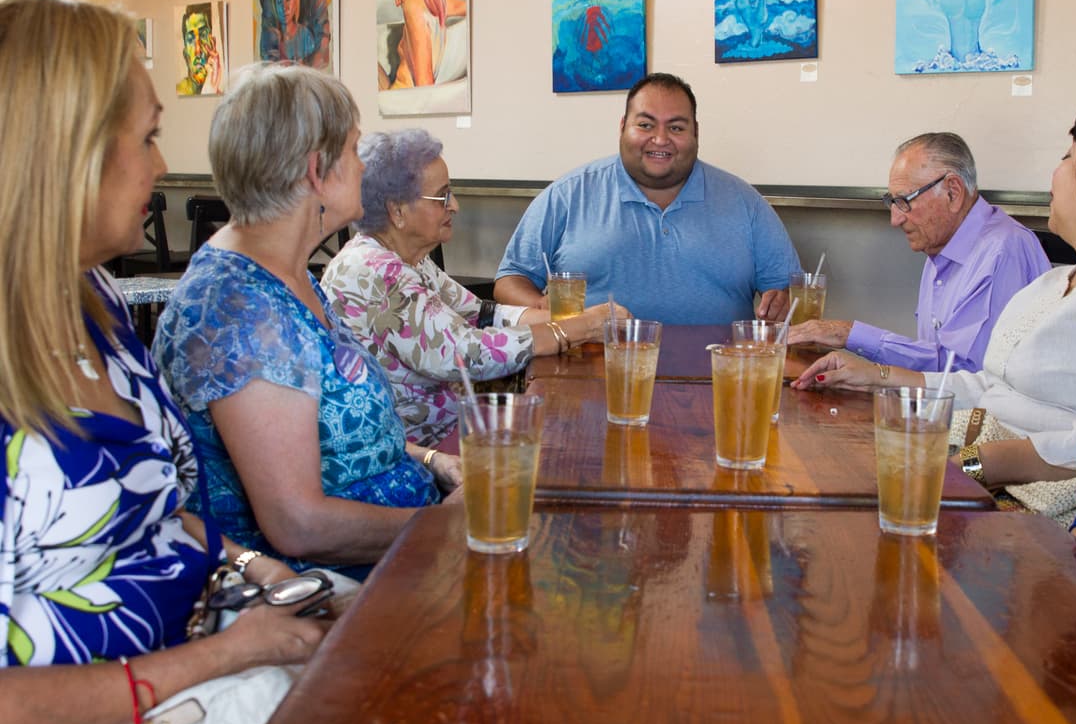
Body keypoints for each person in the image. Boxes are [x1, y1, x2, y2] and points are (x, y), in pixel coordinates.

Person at [0, 0, 328, 724]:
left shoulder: (95, 297)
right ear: (67, 150)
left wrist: (259, 571)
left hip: (207, 632)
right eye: (147, 136)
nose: (164, 163)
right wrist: (230, 654)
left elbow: (152, 501)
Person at [793, 96, 1076, 492]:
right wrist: (877, 378)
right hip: (981, 453)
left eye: (1068, 156)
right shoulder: (1057, 283)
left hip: (1030, 494)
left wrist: (969, 465)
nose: (1054, 172)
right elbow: (987, 385)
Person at [153, 63, 457, 580]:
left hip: (399, 541)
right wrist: (446, 526)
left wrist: (432, 461)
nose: (363, 167)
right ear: (319, 171)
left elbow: (328, 435)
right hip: (324, 586)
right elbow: (299, 525)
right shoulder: (238, 308)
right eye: (355, 151)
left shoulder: (289, 273)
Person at [322, 129, 620, 445]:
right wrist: (576, 330)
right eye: (443, 196)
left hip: (456, 425)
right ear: (397, 211)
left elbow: (481, 313)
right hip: (419, 449)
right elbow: (469, 353)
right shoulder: (375, 271)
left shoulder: (408, 259)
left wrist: (573, 320)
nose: (455, 206)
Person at [494, 72, 801, 324]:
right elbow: (510, 279)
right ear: (622, 128)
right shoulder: (568, 194)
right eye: (645, 125)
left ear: (696, 133)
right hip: (589, 373)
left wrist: (784, 302)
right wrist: (544, 311)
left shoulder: (745, 202)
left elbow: (791, 293)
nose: (660, 139)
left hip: (720, 377)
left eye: (676, 127)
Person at [788, 132, 1049, 371]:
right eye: (891, 202)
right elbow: (937, 364)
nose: (895, 219)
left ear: (952, 192)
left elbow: (966, 375)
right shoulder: (940, 246)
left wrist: (849, 335)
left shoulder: (1004, 250)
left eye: (903, 201)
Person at [379, 0, 469, 89]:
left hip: (400, 99)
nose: (396, 2)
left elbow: (424, 85)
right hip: (394, 94)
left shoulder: (412, 5)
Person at [260, 0, 317, 64]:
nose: (284, 7)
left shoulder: (305, 37)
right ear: (274, 4)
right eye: (279, 1)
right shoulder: (270, 38)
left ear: (296, 0)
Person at [176, 2, 221, 96]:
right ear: (185, 55)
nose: (198, 51)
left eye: (203, 35)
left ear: (213, 45)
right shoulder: (179, 92)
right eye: (191, 39)